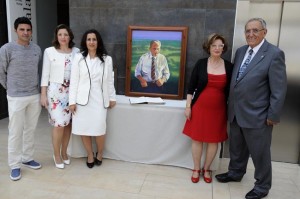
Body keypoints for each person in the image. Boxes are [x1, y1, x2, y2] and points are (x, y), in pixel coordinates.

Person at [215, 18, 287, 199]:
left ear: (264, 32)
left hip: (259, 115)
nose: (250, 34)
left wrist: (273, 115)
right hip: (236, 112)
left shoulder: (274, 54)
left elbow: (279, 89)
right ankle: (235, 172)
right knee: (237, 148)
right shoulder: (240, 52)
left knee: (259, 153)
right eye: (247, 31)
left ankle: (262, 187)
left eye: (255, 30)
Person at [182, 33, 233, 184]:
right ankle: (196, 168)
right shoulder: (201, 63)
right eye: (214, 45)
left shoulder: (229, 66)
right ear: (208, 47)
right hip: (200, 108)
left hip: (219, 110)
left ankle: (207, 168)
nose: (217, 48)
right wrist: (188, 106)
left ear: (223, 48)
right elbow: (191, 88)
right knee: (197, 139)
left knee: (213, 141)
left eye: (220, 46)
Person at [0, 17, 42, 181]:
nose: (26, 32)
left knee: (30, 129)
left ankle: (27, 157)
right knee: (15, 131)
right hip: (16, 96)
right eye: (22, 29)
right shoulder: (6, 49)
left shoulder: (37, 49)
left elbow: (37, 71)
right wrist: (10, 89)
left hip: (33, 95)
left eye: (28, 30)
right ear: (15, 30)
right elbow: (1, 73)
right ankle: (15, 164)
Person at [69, 29, 116, 168]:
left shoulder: (107, 59)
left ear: (98, 41)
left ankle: (99, 153)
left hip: (100, 100)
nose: (91, 42)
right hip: (82, 100)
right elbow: (74, 80)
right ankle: (90, 154)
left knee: (99, 129)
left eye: (94, 39)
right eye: (89, 39)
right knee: (84, 129)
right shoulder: (78, 58)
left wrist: (112, 97)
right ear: (85, 41)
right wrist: (72, 101)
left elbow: (109, 81)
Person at [40, 24, 79, 169]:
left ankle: (64, 152)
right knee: (58, 125)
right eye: (60, 34)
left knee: (68, 124)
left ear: (70, 36)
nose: (63, 37)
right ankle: (56, 154)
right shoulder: (49, 51)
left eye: (66, 34)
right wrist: (43, 94)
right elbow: (45, 74)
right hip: (55, 93)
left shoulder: (76, 52)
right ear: (56, 36)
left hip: (72, 92)